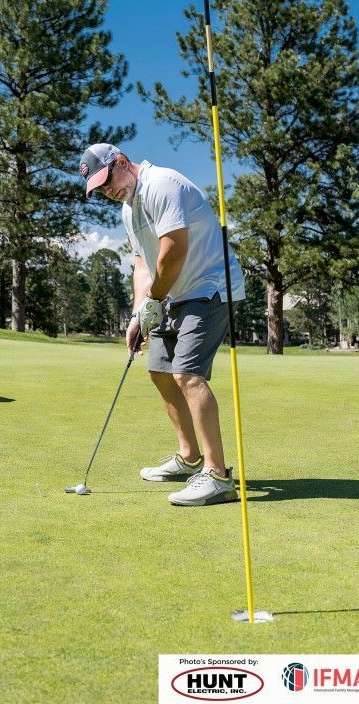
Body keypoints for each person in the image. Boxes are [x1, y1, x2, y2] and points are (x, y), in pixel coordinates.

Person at [79, 142, 245, 506]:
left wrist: (154, 299)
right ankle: (189, 458)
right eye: (101, 189)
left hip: (209, 286)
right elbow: (142, 262)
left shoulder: (163, 184)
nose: (108, 191)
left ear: (121, 162)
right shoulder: (128, 209)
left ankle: (218, 476)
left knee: (187, 374)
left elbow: (174, 249)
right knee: (158, 369)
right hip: (171, 292)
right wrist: (139, 312)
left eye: (108, 181)